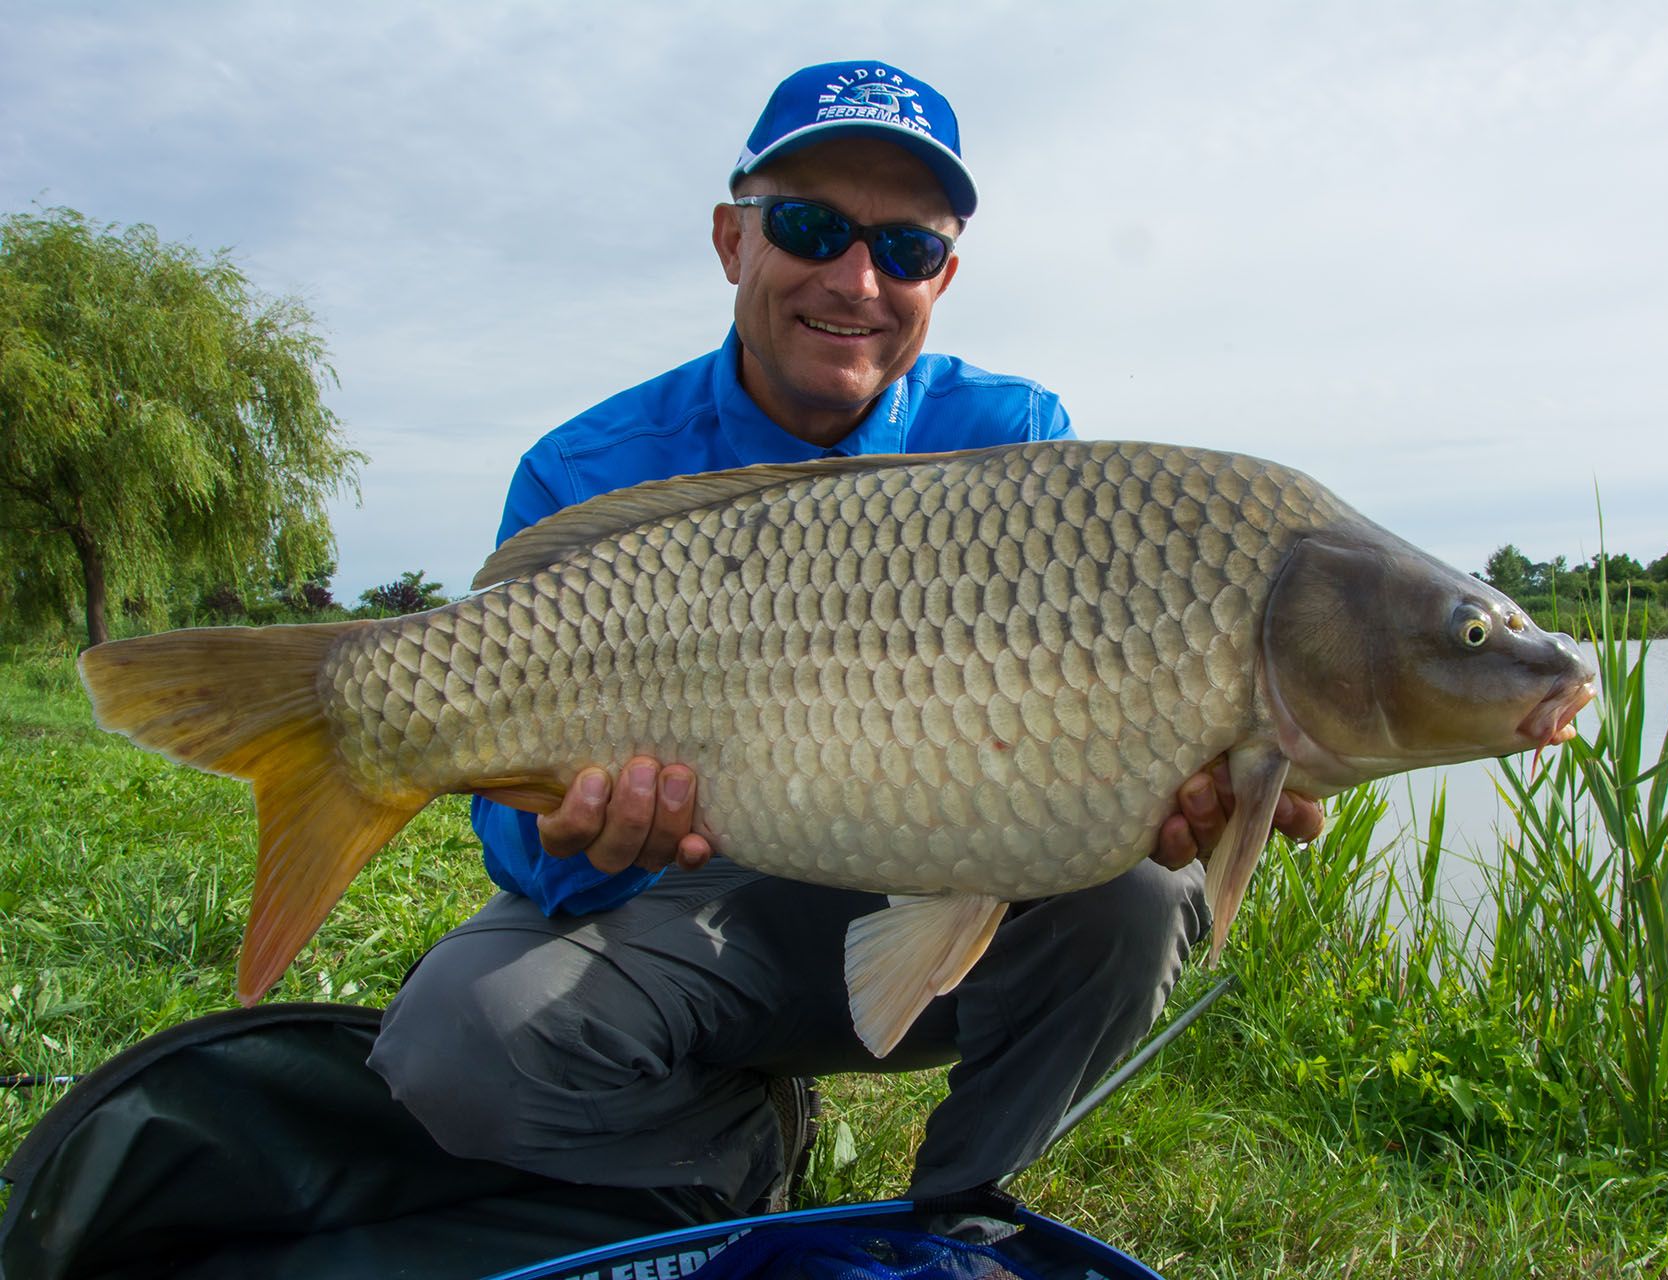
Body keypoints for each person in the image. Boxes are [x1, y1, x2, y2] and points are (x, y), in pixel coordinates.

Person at [368, 59, 1323, 1221]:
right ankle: (732, 1147)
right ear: (733, 241)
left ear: (945, 274)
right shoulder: (583, 472)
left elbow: (1092, 738)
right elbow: (523, 855)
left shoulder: (1020, 441)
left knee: (1138, 891)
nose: (857, 279)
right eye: (812, 227)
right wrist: (589, 834)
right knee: (456, 1039)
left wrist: (1179, 785)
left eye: (906, 249)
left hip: (926, 895)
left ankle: (959, 1210)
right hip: (688, 910)